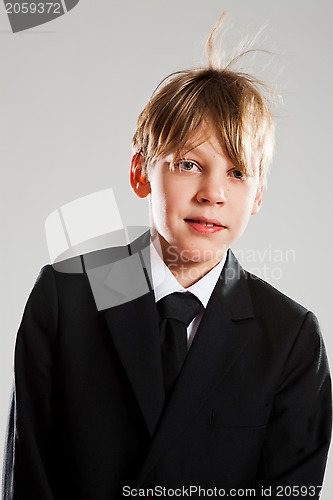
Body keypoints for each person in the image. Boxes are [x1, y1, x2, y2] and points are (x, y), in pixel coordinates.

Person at [2, 13, 331, 500]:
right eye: (188, 164)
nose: (212, 192)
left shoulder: (290, 339)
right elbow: (29, 478)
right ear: (141, 172)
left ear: (259, 195)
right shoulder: (66, 300)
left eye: (237, 172)